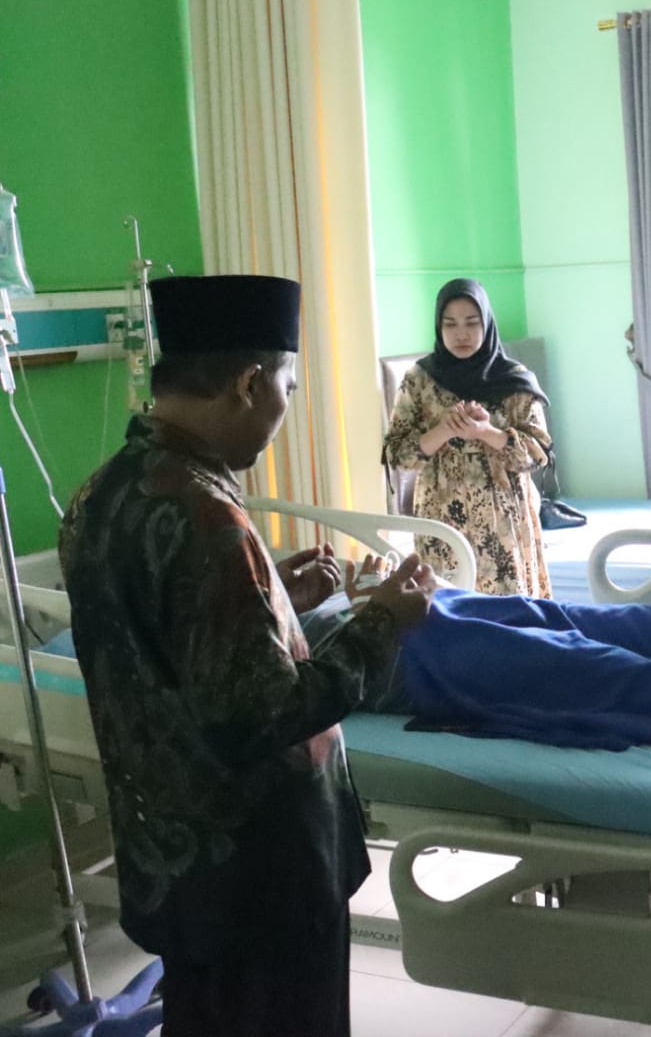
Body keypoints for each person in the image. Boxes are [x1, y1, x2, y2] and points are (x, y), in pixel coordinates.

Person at [58, 274, 435, 1037]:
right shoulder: (208, 515)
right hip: (261, 874)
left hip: (174, 859)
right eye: (286, 389)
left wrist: (273, 600)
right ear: (249, 383)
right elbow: (264, 715)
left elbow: (161, 644)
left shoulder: (101, 494)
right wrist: (384, 622)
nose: (282, 411)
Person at [383, 277, 553, 596]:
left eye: (472, 322)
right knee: (449, 604)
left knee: (507, 610)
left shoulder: (514, 379)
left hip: (504, 520)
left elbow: (537, 453)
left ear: (486, 324)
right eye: (450, 324)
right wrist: (444, 430)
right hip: (440, 517)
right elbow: (397, 454)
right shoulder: (419, 380)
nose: (461, 333)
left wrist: (486, 432)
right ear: (439, 327)